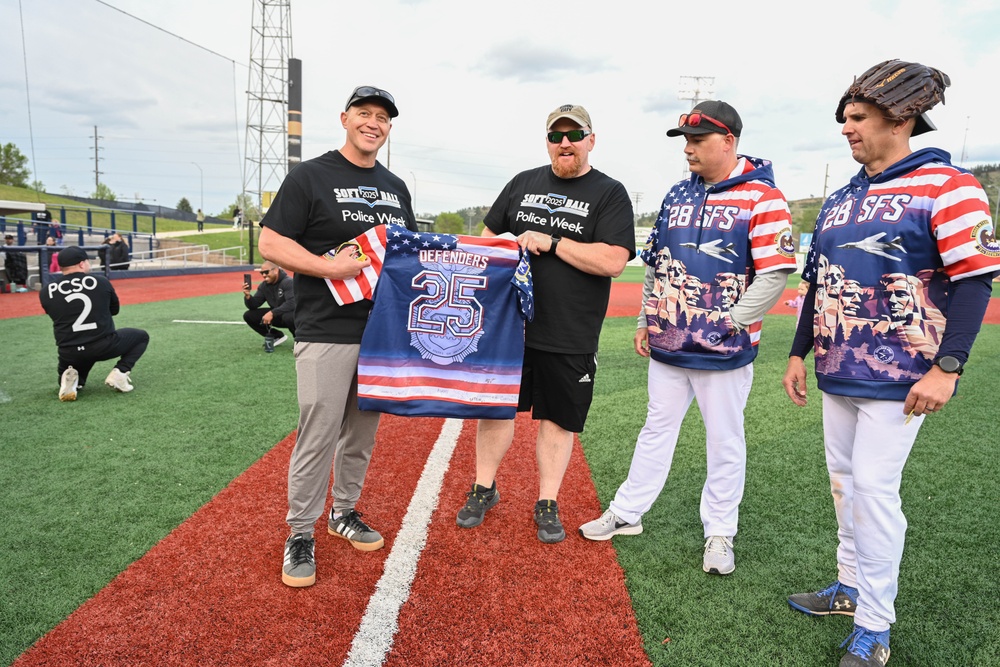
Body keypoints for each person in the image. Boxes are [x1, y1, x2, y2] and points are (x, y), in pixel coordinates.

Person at [782, 60, 1000, 667]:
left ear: (900, 119)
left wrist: (948, 367)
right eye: (844, 119)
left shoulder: (947, 184)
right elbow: (819, 282)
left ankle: (875, 625)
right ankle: (849, 589)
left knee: (875, 493)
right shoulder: (841, 197)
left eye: (858, 118)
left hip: (902, 378)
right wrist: (799, 352)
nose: (847, 129)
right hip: (838, 370)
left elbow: (976, 281)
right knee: (843, 486)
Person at [577, 101, 797, 575]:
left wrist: (732, 321)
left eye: (698, 141)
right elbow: (657, 265)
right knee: (657, 428)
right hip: (669, 341)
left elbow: (775, 273)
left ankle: (720, 532)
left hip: (724, 350)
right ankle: (628, 512)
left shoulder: (763, 196)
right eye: (686, 141)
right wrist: (643, 319)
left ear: (729, 141)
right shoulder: (678, 193)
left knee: (724, 440)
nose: (690, 150)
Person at [453, 103, 636, 544]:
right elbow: (487, 240)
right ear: (548, 141)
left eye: (575, 134)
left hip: (570, 328)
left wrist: (552, 242)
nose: (565, 142)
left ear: (591, 140)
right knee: (497, 410)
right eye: (557, 135)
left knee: (558, 418)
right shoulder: (522, 182)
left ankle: (547, 501)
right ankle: (483, 488)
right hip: (508, 327)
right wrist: (502, 243)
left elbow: (613, 260)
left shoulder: (610, 192)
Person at [257, 85, 417, 587]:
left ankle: (342, 511)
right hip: (327, 327)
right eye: (365, 114)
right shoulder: (311, 175)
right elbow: (270, 241)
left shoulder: (396, 187)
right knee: (319, 431)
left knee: (361, 435)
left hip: (380, 331)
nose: (374, 123)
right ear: (345, 119)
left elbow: (407, 254)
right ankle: (300, 532)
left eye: (383, 118)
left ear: (389, 128)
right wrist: (328, 268)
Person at [39, 246, 150, 401]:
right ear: (82, 263)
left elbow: (54, 315)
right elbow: (114, 310)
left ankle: (71, 380)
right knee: (141, 337)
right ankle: (120, 373)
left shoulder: (46, 291)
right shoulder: (100, 281)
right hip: (102, 345)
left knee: (77, 372)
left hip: (69, 351)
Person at [242, 260, 296, 352]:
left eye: (266, 272)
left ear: (275, 270)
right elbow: (254, 305)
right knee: (249, 315)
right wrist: (248, 296)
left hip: (296, 316)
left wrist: (272, 312)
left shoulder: (288, 282)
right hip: (278, 315)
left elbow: (292, 303)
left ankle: (299, 340)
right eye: (262, 273)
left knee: (288, 316)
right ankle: (276, 336)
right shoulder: (264, 286)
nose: (264, 275)